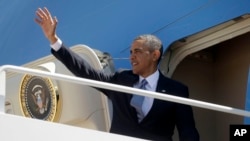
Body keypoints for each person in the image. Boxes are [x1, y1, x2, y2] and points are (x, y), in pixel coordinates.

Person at [35, 7, 199, 141]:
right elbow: (86, 72)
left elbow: (188, 132)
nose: (131, 56)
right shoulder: (121, 79)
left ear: (155, 55)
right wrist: (54, 40)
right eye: (130, 52)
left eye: (137, 51)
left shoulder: (176, 90)